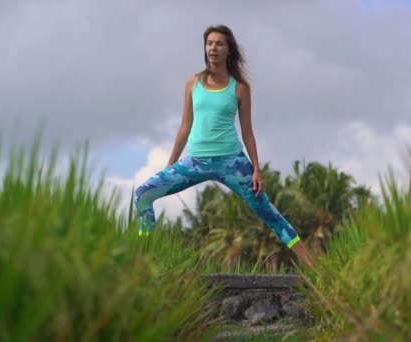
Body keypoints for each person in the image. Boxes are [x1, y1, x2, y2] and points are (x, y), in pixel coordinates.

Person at [134, 24, 314, 268]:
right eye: (209, 43)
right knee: (144, 194)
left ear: (229, 50)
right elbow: (185, 127)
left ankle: (317, 269)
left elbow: (248, 133)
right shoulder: (192, 83)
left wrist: (257, 169)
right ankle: (144, 257)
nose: (213, 48)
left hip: (232, 161)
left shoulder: (239, 87)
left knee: (269, 213)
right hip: (195, 160)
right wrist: (171, 165)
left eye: (219, 43)